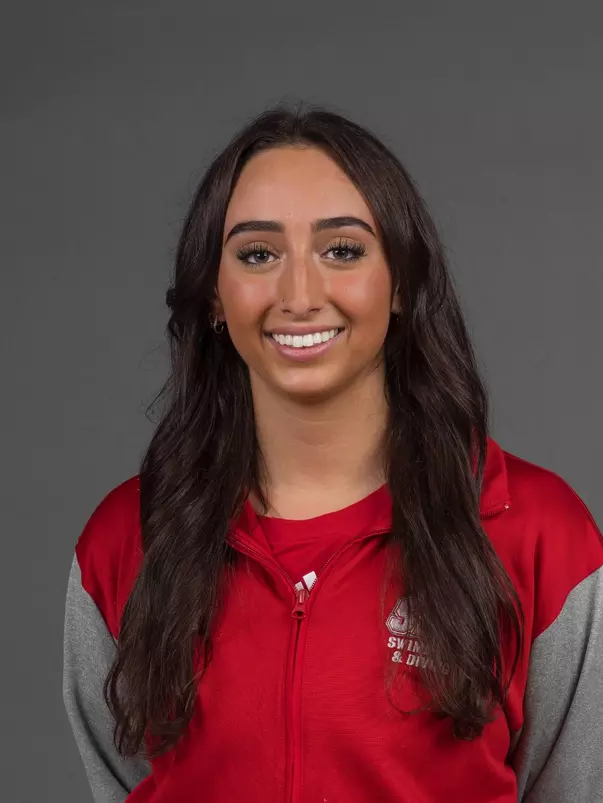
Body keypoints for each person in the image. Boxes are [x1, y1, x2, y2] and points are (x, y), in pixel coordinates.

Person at [62, 104, 603, 803]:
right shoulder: (126, 541)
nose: (298, 294)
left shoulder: (537, 534)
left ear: (400, 281)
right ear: (215, 296)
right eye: (257, 254)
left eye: (341, 250)